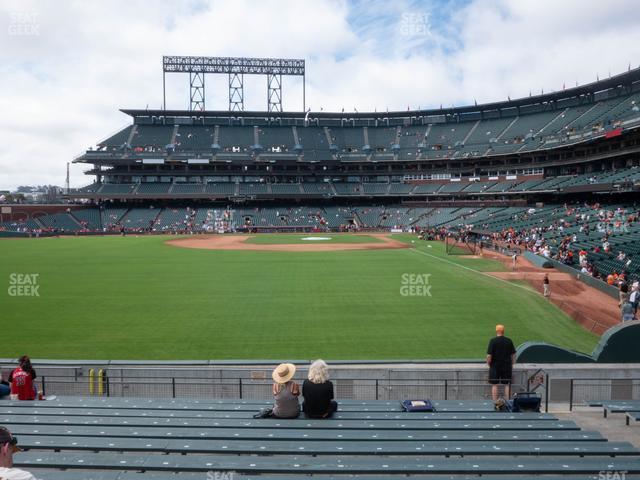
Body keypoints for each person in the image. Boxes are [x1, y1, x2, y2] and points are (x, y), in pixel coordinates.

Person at [486, 324, 516, 402]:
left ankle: (495, 402)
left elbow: (489, 356)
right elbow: (513, 354)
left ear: (496, 331)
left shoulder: (493, 341)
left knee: (494, 384)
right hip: (506, 365)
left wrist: (489, 364)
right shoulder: (509, 341)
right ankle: (508, 402)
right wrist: (512, 364)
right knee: (507, 384)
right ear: (503, 331)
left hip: (495, 366)